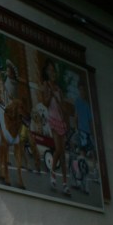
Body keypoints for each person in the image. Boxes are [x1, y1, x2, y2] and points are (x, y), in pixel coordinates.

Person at [40, 59, 71, 196]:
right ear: (46, 72)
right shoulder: (46, 85)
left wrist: (66, 119)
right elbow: (45, 103)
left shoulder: (59, 89)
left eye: (53, 70)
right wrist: (50, 94)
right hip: (52, 120)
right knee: (58, 149)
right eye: (50, 70)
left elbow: (63, 106)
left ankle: (64, 183)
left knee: (63, 154)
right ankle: (52, 174)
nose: (52, 72)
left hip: (61, 121)